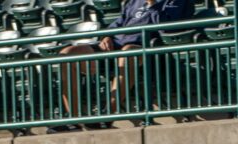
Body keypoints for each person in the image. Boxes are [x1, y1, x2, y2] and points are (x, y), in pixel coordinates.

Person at [57, 0, 191, 125]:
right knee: (67, 53)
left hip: (146, 50)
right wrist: (107, 36)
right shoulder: (134, 2)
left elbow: (168, 29)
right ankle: (73, 117)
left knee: (127, 52)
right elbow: (118, 23)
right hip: (115, 46)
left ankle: (107, 115)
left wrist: (153, 4)